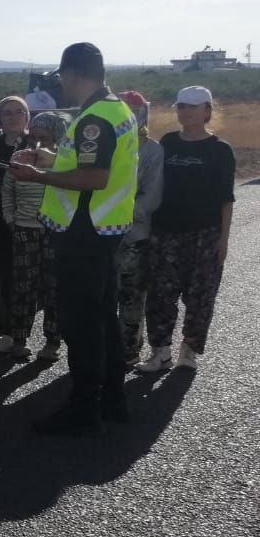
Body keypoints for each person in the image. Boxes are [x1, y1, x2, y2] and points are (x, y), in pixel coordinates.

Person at [10, 42, 139, 435]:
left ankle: (83, 409)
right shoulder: (118, 110)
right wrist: (51, 159)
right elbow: (95, 166)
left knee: (81, 323)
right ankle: (113, 400)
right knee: (103, 317)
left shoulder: (93, 119)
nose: (60, 86)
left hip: (84, 233)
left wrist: (38, 177)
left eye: (62, 78)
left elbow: (93, 178)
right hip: (106, 231)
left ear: (72, 76)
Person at [135, 86, 235, 374]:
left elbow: (226, 199)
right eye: (181, 107)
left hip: (205, 234)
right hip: (165, 232)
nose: (185, 112)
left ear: (207, 111)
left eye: (192, 107)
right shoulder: (167, 143)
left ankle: (189, 350)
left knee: (200, 297)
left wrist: (224, 240)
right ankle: (160, 352)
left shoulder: (220, 150)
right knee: (160, 295)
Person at [0, 111, 64, 361]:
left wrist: (52, 162)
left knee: (53, 287)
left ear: (56, 137)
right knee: (23, 285)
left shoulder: (65, 161)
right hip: (24, 228)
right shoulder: (19, 157)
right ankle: (19, 338)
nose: (36, 142)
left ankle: (52, 342)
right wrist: (11, 219)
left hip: (54, 231)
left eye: (43, 138)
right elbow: (7, 191)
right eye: (33, 136)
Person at [115, 91, 164, 362]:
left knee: (132, 296)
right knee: (104, 295)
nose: (132, 117)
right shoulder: (104, 146)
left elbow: (152, 196)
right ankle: (106, 347)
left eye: (136, 111)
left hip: (135, 235)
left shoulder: (152, 150)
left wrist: (119, 211)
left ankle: (128, 349)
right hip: (102, 235)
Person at [0, 95, 31, 336]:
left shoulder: (38, 145)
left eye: (18, 111)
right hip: (2, 221)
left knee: (32, 274)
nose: (13, 117)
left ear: (27, 116)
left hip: (34, 220)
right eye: (7, 113)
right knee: (7, 272)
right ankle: (12, 328)